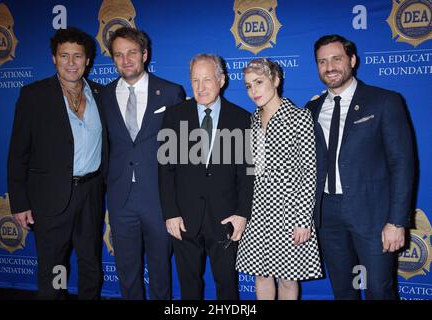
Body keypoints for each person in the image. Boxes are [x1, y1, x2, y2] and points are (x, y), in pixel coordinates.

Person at [305, 34, 415, 299]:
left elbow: (403, 163)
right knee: (344, 290)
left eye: (336, 59)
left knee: (379, 289)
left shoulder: (385, 101)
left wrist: (397, 221)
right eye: (322, 61)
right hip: (327, 214)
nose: (329, 67)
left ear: (352, 60)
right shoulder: (311, 109)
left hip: (373, 214)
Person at [7, 27, 107, 299]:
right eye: (65, 56)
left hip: (91, 192)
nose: (71, 63)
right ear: (54, 58)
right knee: (54, 266)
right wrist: (20, 202)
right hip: (50, 195)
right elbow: (18, 153)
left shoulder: (102, 94)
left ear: (88, 60)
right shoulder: (34, 96)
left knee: (90, 262)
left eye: (78, 56)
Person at [158, 54, 254, 299]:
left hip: (225, 219)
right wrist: (170, 212)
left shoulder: (242, 119)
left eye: (207, 80)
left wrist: (243, 213)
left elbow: (247, 172)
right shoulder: (174, 116)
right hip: (184, 218)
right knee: (188, 286)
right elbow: (165, 170)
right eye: (195, 80)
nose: (201, 87)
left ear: (221, 80)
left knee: (227, 286)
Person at [100, 27, 185, 300]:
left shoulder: (171, 92)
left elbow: (181, 151)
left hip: (159, 197)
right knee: (127, 270)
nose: (125, 60)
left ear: (145, 54)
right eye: (118, 55)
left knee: (161, 268)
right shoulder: (102, 96)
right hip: (120, 197)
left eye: (132, 53)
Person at [236, 58, 323, 300]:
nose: (253, 91)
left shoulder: (299, 117)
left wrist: (303, 219)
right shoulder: (250, 121)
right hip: (257, 212)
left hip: (289, 212)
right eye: (248, 85)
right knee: (261, 276)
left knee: (287, 278)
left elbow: (309, 171)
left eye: (259, 82)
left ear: (275, 80)